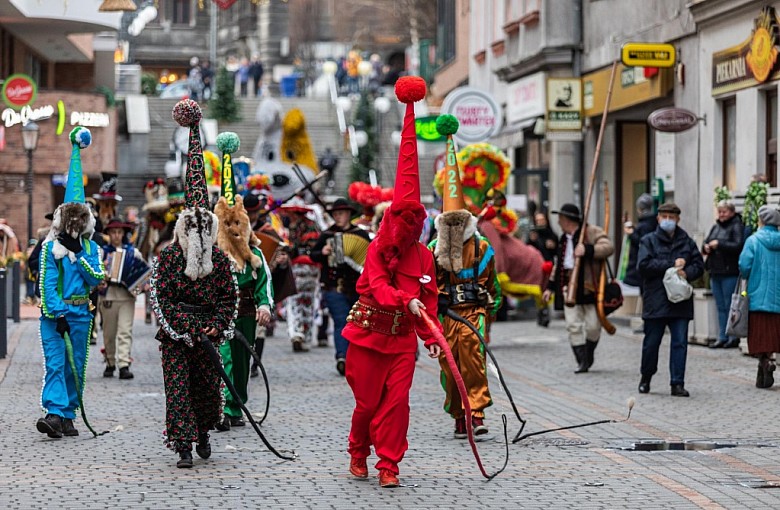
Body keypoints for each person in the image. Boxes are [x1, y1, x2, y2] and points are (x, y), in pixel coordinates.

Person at [343, 77, 442, 488]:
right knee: (367, 404)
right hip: (368, 337)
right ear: (389, 219)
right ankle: (357, 449)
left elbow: (430, 297)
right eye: (403, 218)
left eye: (416, 219)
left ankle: (389, 465)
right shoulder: (375, 251)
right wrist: (406, 299)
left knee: (397, 404)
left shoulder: (424, 255)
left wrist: (432, 334)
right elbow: (380, 288)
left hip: (402, 341)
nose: (410, 226)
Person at [150, 100, 238, 468]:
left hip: (208, 330)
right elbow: (161, 296)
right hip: (177, 334)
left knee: (205, 387)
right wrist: (184, 327)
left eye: (206, 228)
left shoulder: (219, 261)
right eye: (194, 227)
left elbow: (228, 296)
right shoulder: (170, 258)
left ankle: (202, 432)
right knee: (178, 390)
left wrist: (215, 324)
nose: (199, 234)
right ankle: (183, 443)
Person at [428, 114, 501, 439]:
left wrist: (489, 311)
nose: (455, 229)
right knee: (450, 367)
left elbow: (494, 286)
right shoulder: (433, 248)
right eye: (450, 223)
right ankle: (458, 414)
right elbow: (426, 284)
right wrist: (435, 301)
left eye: (460, 223)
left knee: (474, 359)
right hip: (446, 316)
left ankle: (477, 414)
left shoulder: (483, 246)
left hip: (474, 313)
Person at [36, 127, 106, 439]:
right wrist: (57, 314)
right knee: (55, 363)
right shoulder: (51, 248)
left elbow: (97, 279)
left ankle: (67, 414)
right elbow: (47, 284)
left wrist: (78, 255)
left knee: (75, 366)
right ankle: (53, 412)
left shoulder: (92, 249)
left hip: (82, 316)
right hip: (55, 317)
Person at [213, 192, 273, 430]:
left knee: (241, 362)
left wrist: (264, 305)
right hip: (220, 315)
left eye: (237, 223)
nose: (233, 229)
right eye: (228, 224)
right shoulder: (216, 254)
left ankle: (236, 406)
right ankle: (223, 408)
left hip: (246, 314)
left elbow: (264, 283)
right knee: (223, 357)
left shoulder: (255, 255)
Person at [637, 203, 704, 397]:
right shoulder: (648, 240)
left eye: (671, 217)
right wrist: (671, 265)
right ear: (658, 218)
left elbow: (699, 265)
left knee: (680, 343)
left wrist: (686, 272)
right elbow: (644, 265)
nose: (668, 220)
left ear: (677, 219)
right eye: (664, 216)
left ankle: (677, 382)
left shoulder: (686, 241)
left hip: (680, 301)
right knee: (651, 342)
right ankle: (646, 377)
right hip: (656, 299)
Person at [543, 203, 614, 373]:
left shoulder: (591, 231)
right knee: (573, 325)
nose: (559, 222)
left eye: (561, 218)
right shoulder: (563, 239)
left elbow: (608, 247)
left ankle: (588, 355)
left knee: (593, 327)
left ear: (568, 220)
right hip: (568, 287)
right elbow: (558, 264)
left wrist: (589, 249)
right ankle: (582, 361)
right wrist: (550, 287)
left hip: (589, 287)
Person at [309, 198, 371, 375]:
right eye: (335, 214)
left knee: (357, 324)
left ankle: (355, 357)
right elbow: (313, 255)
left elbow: (370, 256)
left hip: (357, 288)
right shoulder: (328, 235)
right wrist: (322, 252)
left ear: (349, 214)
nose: (338, 217)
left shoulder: (361, 235)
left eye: (341, 213)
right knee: (340, 321)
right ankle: (342, 357)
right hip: (334, 286)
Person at [738, 205, 780, 389]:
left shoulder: (753, 240)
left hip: (757, 297)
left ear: (761, 221)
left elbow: (744, 266)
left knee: (758, 337)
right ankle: (764, 371)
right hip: (777, 299)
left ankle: (766, 363)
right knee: (772, 335)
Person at [99, 218, 144, 380]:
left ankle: (124, 364)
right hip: (109, 295)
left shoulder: (133, 252)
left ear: (123, 234)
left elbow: (143, 274)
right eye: (113, 232)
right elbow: (95, 274)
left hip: (126, 296)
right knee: (109, 332)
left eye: (119, 232)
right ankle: (110, 361)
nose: (116, 235)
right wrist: (102, 274)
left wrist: (139, 286)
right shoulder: (102, 253)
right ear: (109, 234)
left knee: (125, 331)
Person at [703, 200, 745, 349]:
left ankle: (732, 337)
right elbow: (706, 241)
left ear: (732, 212)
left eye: (724, 211)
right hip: (715, 271)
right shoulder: (715, 227)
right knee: (720, 306)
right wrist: (706, 247)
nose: (721, 214)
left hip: (729, 272)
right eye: (719, 211)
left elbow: (738, 245)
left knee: (730, 306)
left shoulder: (737, 226)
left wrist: (719, 244)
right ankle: (722, 336)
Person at [623, 193, 657, 289]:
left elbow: (642, 242)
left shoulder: (645, 225)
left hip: (642, 268)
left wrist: (631, 234)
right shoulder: (651, 223)